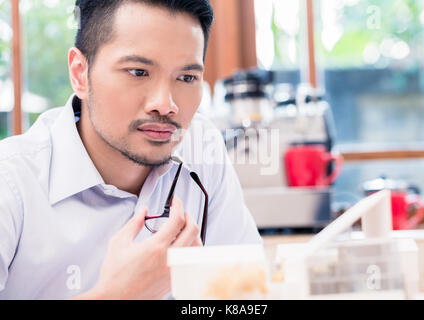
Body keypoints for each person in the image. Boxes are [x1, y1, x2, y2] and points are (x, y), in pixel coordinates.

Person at [0, 0, 262, 300]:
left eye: (187, 78)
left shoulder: (202, 148)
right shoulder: (10, 182)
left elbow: (247, 294)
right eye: (138, 72)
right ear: (79, 73)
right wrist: (117, 295)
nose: (166, 104)